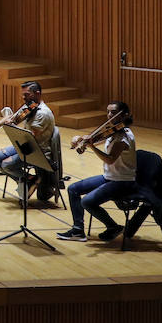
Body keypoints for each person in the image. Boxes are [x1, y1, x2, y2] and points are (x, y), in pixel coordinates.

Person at [58, 101, 137, 243]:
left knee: (87, 201)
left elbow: (110, 159)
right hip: (110, 177)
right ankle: (77, 230)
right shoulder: (113, 131)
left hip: (122, 181)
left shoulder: (124, 137)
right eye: (108, 111)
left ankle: (113, 227)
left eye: (113, 112)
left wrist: (92, 146)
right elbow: (96, 139)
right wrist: (80, 139)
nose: (109, 115)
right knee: (73, 189)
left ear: (124, 115)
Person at [0, 81, 58, 202]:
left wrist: (13, 129)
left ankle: (27, 180)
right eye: (23, 94)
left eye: (27, 94)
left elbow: (31, 138)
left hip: (37, 151)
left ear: (37, 93)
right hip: (25, 145)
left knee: (6, 165)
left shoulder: (42, 113)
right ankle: (28, 179)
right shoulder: (29, 106)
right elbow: (12, 118)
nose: (23, 97)